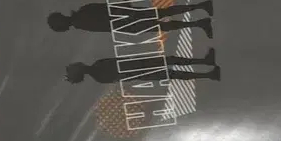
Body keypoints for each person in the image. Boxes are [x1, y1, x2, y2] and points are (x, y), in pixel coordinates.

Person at [48, 0, 214, 35]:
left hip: (127, 20)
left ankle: (199, 17)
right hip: (127, 20)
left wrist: (125, 10)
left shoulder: (81, 19)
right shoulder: (81, 15)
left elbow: (106, 13)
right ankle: (199, 16)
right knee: (162, 16)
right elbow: (106, 9)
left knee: (162, 20)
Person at [65, 49, 220, 84]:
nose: (77, 63)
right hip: (139, 68)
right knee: (172, 67)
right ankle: (207, 70)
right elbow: (121, 72)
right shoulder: (98, 71)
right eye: (75, 66)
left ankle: (207, 69)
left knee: (172, 68)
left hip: (139, 70)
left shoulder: (98, 73)